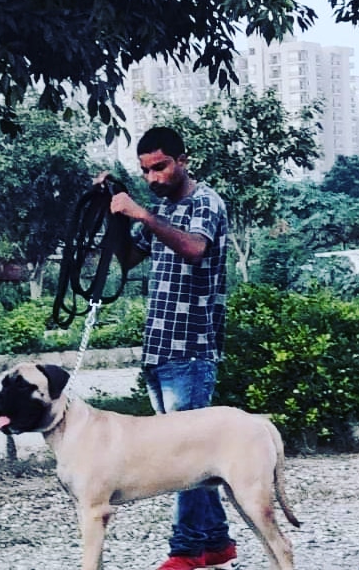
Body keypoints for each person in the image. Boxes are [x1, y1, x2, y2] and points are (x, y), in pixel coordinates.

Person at [97, 126, 236, 570]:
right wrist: (114, 208)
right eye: (146, 171)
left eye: (160, 166)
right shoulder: (160, 207)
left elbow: (194, 249)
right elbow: (129, 258)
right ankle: (215, 543)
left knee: (185, 457)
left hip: (192, 348)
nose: (154, 177)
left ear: (183, 159)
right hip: (160, 347)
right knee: (195, 457)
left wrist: (143, 215)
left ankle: (185, 551)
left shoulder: (205, 203)